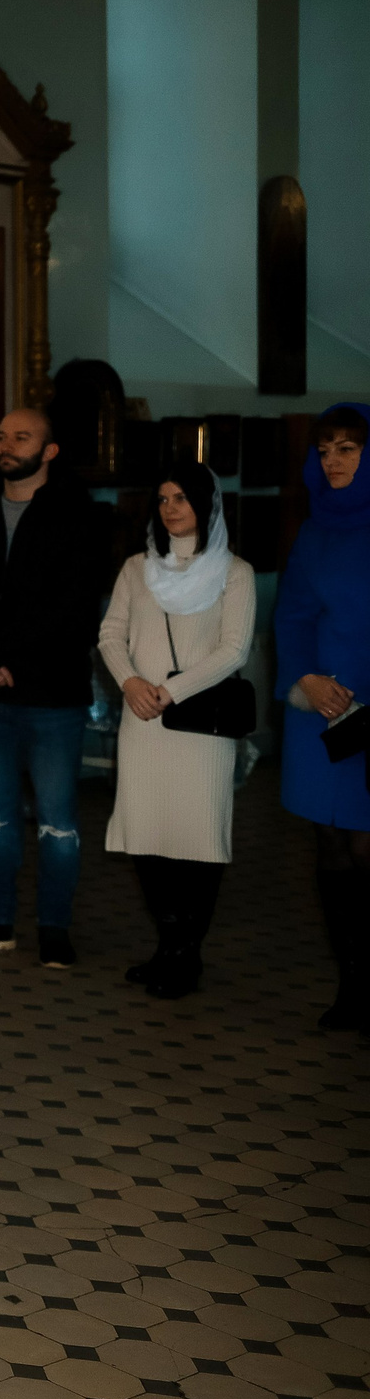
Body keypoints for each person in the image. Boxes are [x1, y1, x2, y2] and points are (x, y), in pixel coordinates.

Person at [0, 408, 106, 967]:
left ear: (50, 450)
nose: (7, 444)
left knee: (56, 820)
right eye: (2, 435)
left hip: (51, 691)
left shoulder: (79, 514)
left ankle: (54, 927)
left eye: (22, 437)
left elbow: (72, 608)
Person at [99, 465, 254, 999]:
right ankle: (168, 946)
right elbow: (110, 635)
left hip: (200, 728)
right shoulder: (135, 569)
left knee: (197, 841)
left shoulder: (235, 573)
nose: (170, 508)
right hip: (143, 722)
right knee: (148, 839)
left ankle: (187, 956)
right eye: (162, 498)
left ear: (207, 505)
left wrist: (172, 690)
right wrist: (131, 682)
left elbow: (234, 649)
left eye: (182, 498)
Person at [279, 402, 370, 1029]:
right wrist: (306, 678)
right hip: (320, 710)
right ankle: (353, 988)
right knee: (331, 846)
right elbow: (292, 614)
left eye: (348, 448)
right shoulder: (313, 530)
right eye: (325, 448)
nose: (333, 460)